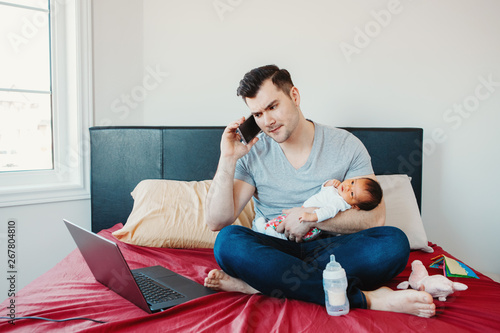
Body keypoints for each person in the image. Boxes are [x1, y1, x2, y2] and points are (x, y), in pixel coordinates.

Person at [204, 65, 435, 317]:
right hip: (275, 248)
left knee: (393, 243)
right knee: (228, 241)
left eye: (272, 107)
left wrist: (311, 218)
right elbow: (217, 221)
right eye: (257, 114)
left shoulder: (346, 145)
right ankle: (366, 299)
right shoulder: (253, 153)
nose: (267, 121)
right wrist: (228, 158)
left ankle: (262, 283)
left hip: (332, 251)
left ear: (294, 96)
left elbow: (373, 218)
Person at [255, 177, 383, 241]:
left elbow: (328, 212)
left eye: (352, 194)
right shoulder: (338, 192)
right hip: (304, 211)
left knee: (290, 227)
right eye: (353, 182)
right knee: (285, 219)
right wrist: (329, 183)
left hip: (312, 223)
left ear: (355, 206)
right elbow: (323, 191)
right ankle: (267, 227)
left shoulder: (339, 202)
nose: (349, 187)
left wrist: (312, 217)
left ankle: (271, 232)